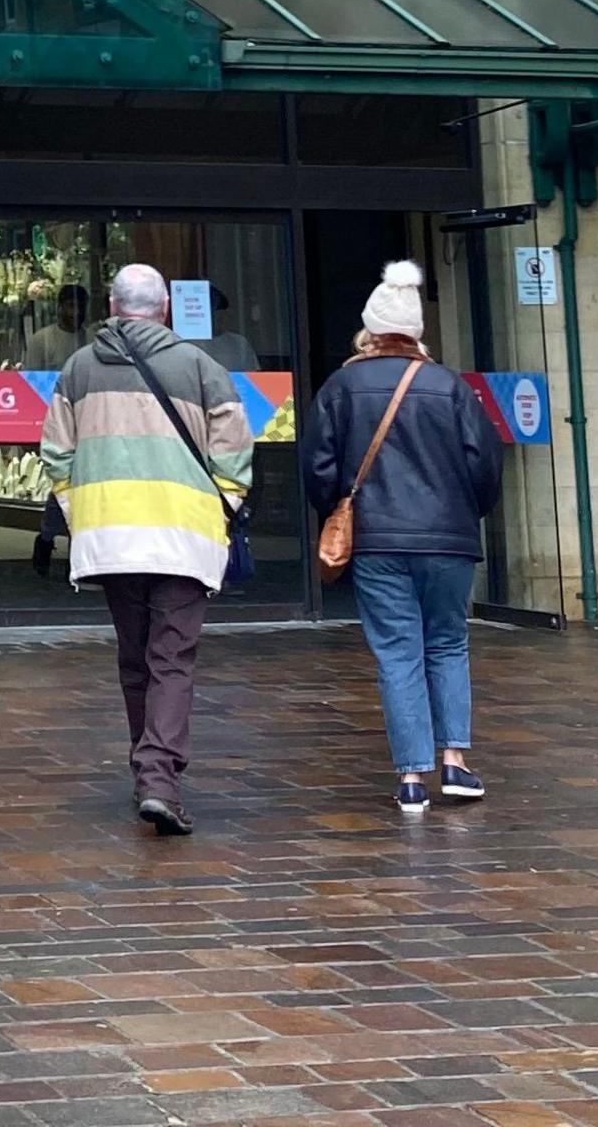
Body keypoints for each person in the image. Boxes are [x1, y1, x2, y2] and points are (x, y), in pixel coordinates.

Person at [40, 263, 253, 836]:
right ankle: (159, 779)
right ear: (164, 309)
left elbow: (56, 452)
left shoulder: (78, 369)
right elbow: (235, 453)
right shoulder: (202, 367)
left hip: (111, 537)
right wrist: (223, 508)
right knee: (171, 658)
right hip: (182, 536)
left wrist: (80, 509)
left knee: (135, 658)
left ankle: (147, 774)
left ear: (111, 307)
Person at [301, 261, 501, 818]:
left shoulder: (342, 386)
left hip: (378, 540)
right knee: (449, 642)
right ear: (418, 332)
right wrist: (468, 514)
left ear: (369, 330)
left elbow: (318, 465)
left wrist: (338, 510)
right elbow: (485, 466)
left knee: (397, 652)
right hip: (449, 541)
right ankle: (456, 762)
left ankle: (412, 776)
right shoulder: (450, 387)